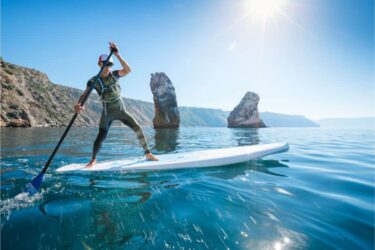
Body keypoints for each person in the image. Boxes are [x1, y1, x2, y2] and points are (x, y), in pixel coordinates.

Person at [74, 42, 158, 168]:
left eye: (110, 64)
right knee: (101, 136)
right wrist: (78, 105)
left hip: (121, 110)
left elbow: (128, 70)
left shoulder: (115, 74)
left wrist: (117, 54)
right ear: (99, 64)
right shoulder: (93, 81)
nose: (108, 66)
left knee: (137, 127)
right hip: (107, 113)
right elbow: (84, 95)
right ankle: (93, 160)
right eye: (105, 64)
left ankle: (147, 153)